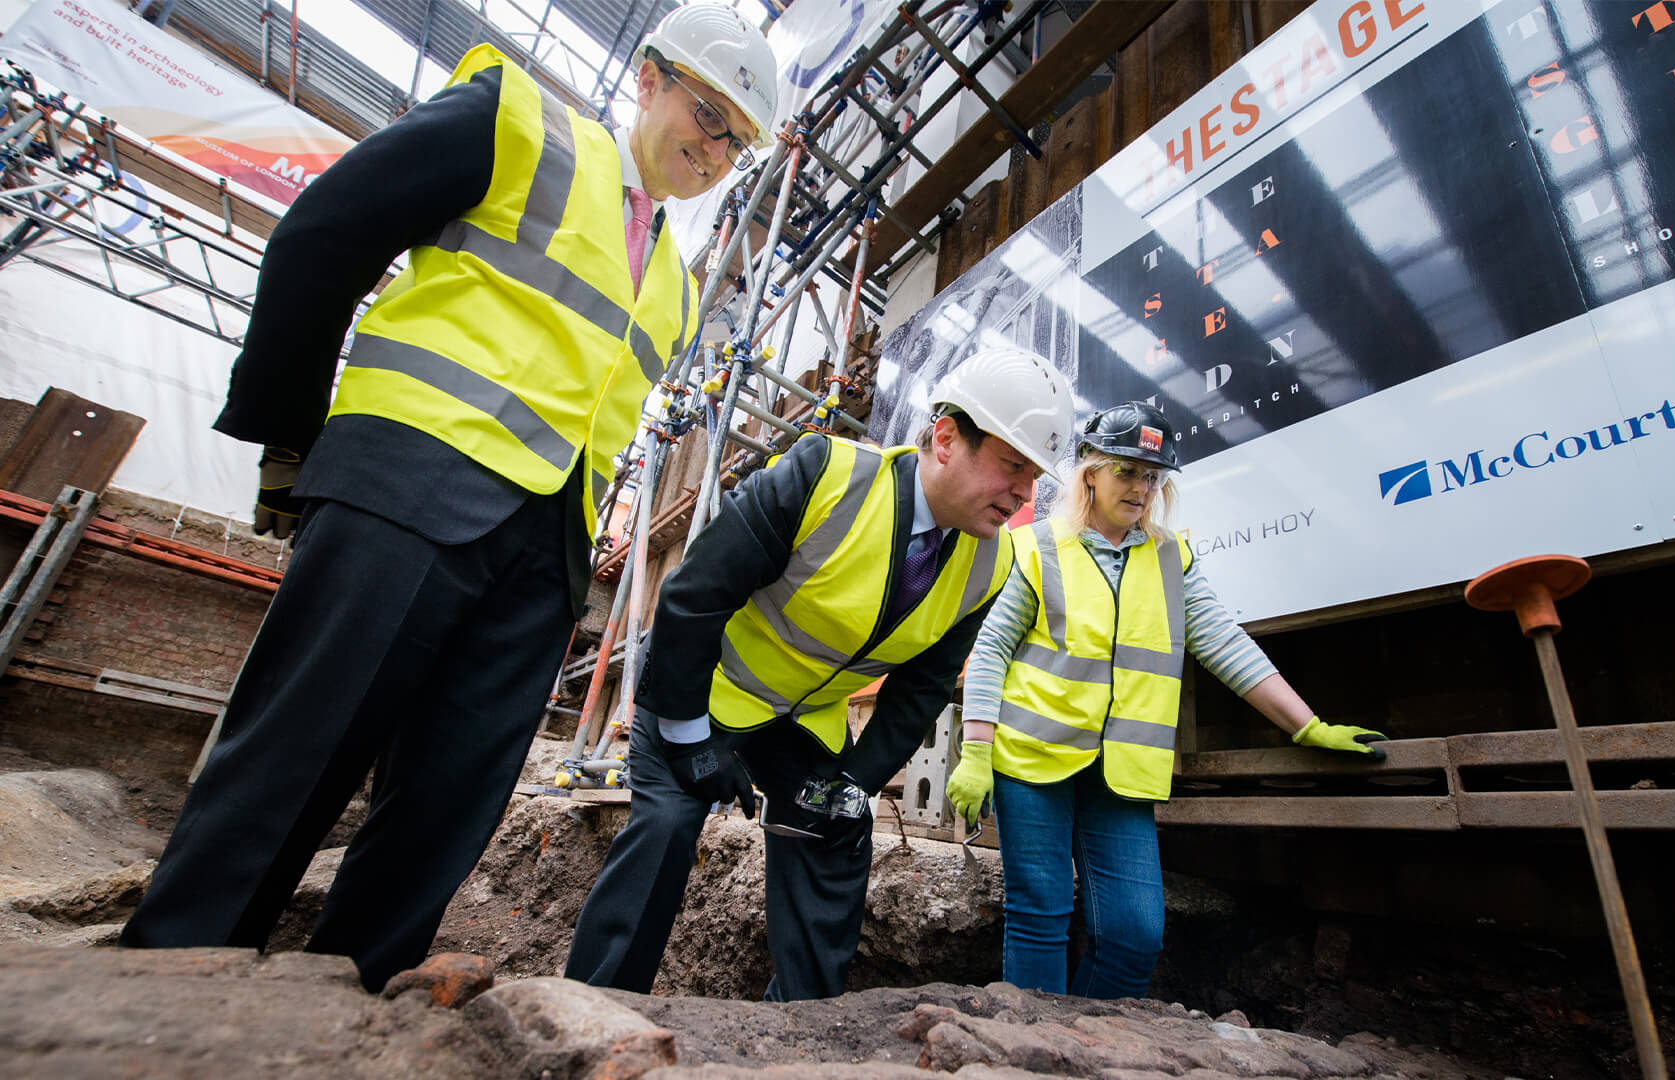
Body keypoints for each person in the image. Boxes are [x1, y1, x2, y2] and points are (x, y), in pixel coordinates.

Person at [120, 5, 780, 993]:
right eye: (711, 115)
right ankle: (163, 994)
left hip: (540, 556)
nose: (719, 150)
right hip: (412, 483)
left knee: (445, 810)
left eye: (741, 142)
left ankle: (345, 1005)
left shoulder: (678, 290)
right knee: (294, 757)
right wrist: (290, 441)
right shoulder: (522, 122)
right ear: (648, 80)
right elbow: (324, 232)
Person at [563, 346, 1075, 1001]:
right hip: (705, 693)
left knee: (835, 829)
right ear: (946, 439)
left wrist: (853, 783)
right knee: (665, 826)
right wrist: (690, 740)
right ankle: (595, 1010)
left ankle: (801, 1030)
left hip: (803, 721)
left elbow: (918, 691)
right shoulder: (827, 476)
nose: (1026, 493)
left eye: (1035, 476)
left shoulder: (990, 563)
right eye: (1012, 466)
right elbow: (695, 597)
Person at [945, 400, 1387, 998]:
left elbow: (1226, 646)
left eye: (1152, 477)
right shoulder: (1039, 547)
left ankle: (1084, 1036)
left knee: (1134, 935)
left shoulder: (1171, 559)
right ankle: (1030, 1049)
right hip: (1031, 761)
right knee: (1040, 915)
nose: (1141, 488)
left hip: (1121, 775)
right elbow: (992, 650)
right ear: (1091, 473)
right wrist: (976, 752)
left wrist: (1307, 726)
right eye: (1127, 472)